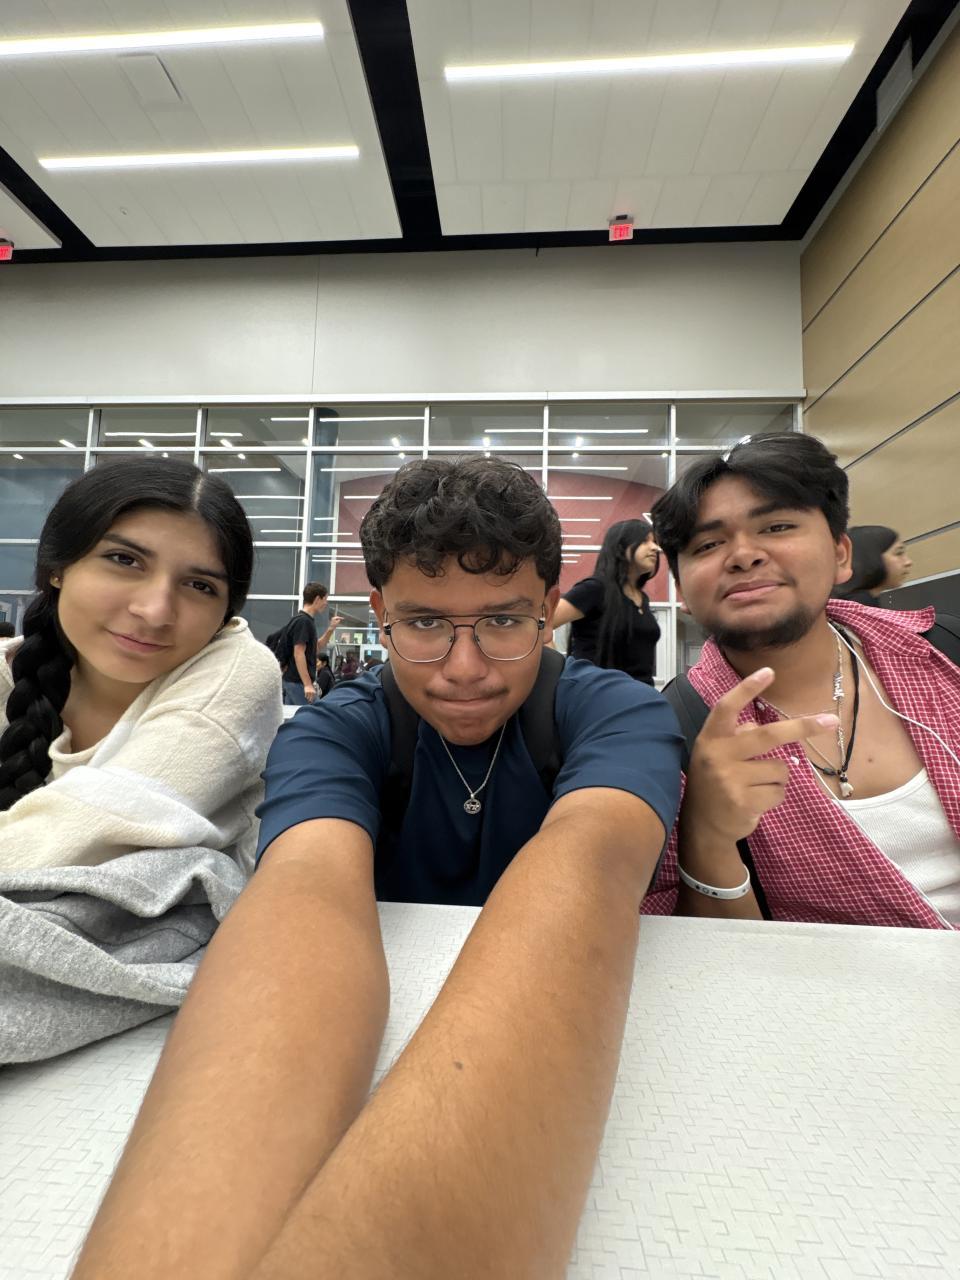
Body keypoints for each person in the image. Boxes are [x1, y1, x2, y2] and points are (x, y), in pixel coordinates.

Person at [72, 456, 682, 1280]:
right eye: (425, 624)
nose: (464, 668)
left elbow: (592, 864)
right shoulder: (335, 731)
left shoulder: (618, 713)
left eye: (503, 622)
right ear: (381, 615)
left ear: (547, 611)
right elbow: (305, 893)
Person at [642, 433, 960, 930]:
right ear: (681, 590)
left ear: (840, 553)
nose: (743, 555)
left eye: (777, 526)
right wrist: (707, 836)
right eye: (708, 544)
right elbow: (702, 951)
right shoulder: (672, 738)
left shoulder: (945, 653)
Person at [0, 457, 282, 874]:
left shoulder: (237, 673)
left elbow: (80, 834)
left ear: (225, 613)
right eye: (124, 560)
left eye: (199, 585)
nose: (155, 611)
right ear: (57, 567)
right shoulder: (11, 674)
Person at [552, 519, 662, 684]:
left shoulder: (642, 598)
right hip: (597, 693)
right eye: (645, 541)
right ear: (621, 546)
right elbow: (540, 625)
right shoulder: (595, 589)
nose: (655, 548)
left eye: (655, 542)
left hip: (640, 693)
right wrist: (559, 673)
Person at [281, 582, 342, 706]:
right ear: (317, 599)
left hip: (293, 682)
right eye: (325, 599)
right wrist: (308, 685)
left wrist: (331, 629)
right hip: (298, 682)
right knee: (316, 714)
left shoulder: (305, 621)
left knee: (294, 716)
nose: (326, 603)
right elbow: (299, 653)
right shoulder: (303, 621)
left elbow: (316, 648)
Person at [831, 524, 912, 606]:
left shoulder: (851, 603)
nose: (908, 562)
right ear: (870, 557)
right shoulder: (858, 607)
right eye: (898, 553)